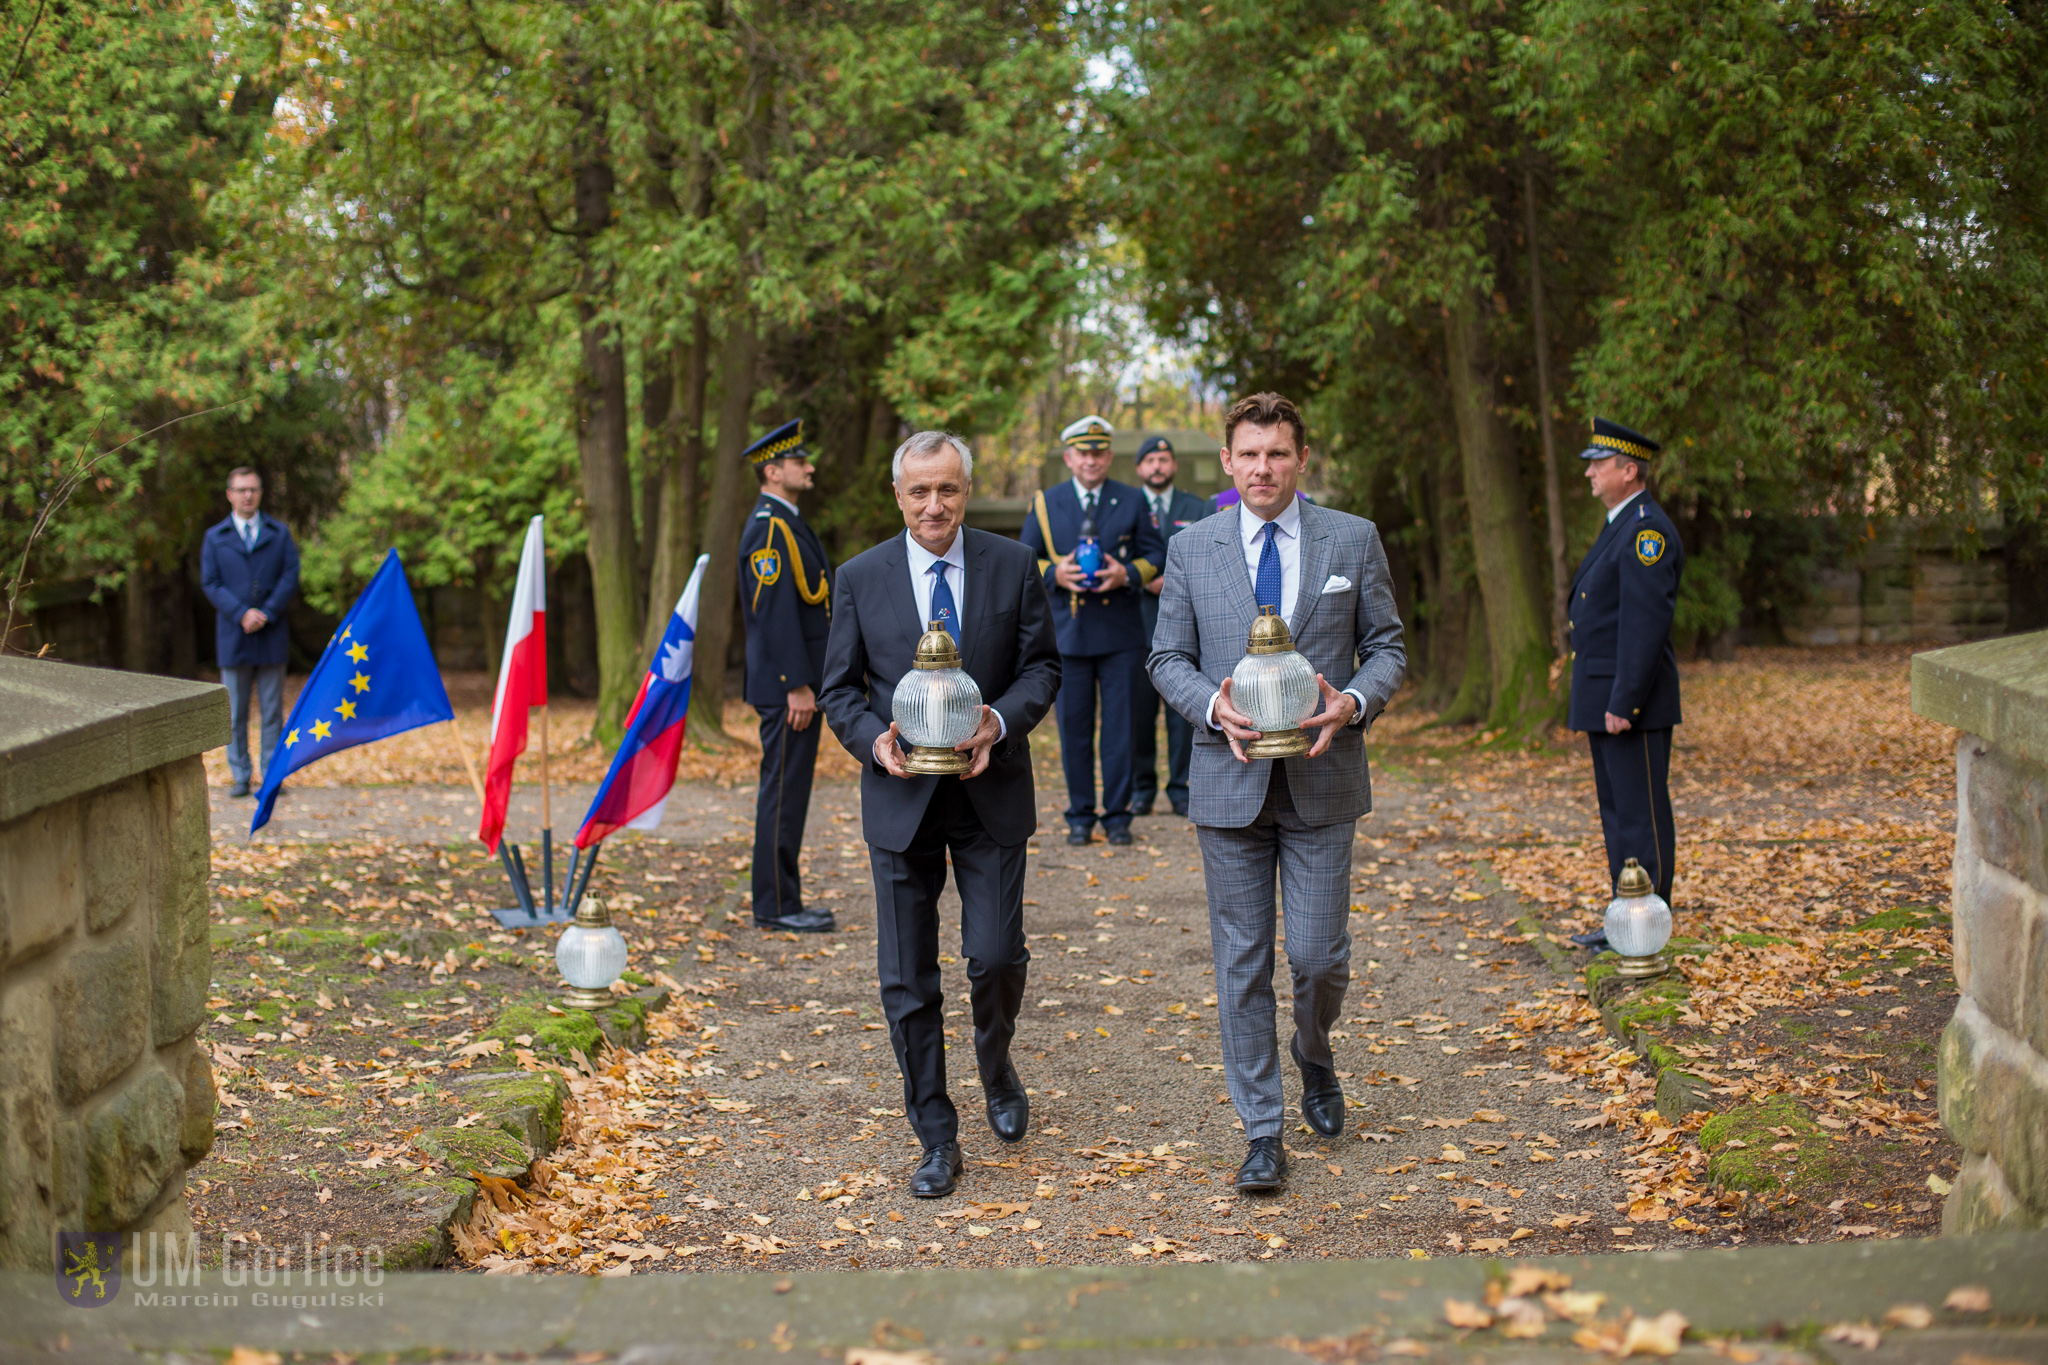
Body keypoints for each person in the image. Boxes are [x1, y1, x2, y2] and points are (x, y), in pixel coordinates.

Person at [1147, 392, 1405, 1194]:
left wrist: (1353, 703)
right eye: (1249, 454)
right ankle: (1262, 1129)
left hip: (1324, 778)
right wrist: (1212, 706)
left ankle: (1315, 1052)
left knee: (1320, 957)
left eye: (1278, 454)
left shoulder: (1351, 539)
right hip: (1228, 784)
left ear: (1300, 459)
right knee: (1242, 963)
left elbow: (1387, 646)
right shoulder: (1193, 548)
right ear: (1226, 462)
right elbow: (1166, 659)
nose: (1263, 468)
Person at [819, 430, 1061, 1198]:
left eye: (948, 489)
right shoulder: (860, 577)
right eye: (920, 491)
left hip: (991, 793)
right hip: (900, 801)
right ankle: (936, 1133)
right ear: (899, 496)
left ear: (965, 489)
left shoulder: (1014, 565)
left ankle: (996, 1060)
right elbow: (839, 691)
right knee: (906, 979)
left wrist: (996, 720)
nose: (935, 505)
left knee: (994, 955)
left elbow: (1043, 667)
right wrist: (872, 743)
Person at [1564, 419, 1684, 951]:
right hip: (1605, 696)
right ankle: (1627, 918)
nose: (1590, 471)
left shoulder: (1645, 531)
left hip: (1626, 701)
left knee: (1640, 814)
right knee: (1618, 814)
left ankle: (1648, 923)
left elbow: (1644, 624)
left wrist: (1625, 703)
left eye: (1600, 463)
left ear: (1628, 470)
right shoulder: (1622, 523)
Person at [1018, 415, 1166, 846]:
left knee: (1120, 729)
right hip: (1070, 633)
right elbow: (1026, 559)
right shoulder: (1047, 502)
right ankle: (1080, 815)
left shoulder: (1133, 499)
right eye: (1083, 453)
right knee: (1075, 730)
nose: (1091, 460)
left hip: (1121, 632)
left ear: (1109, 456)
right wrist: (1055, 574)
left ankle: (1118, 816)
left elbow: (1157, 553)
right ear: (1069, 457)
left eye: (1099, 452)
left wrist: (1127, 573)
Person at [738, 419, 837, 935]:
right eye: (800, 462)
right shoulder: (769, 529)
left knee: (790, 791)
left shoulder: (788, 520)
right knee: (781, 792)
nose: (810, 466)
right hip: (789, 689)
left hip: (800, 685)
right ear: (774, 471)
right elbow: (771, 614)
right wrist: (795, 684)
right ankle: (775, 904)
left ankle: (782, 898)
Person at [200, 467, 300, 799]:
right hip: (233, 634)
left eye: (253, 489)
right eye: (241, 490)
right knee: (235, 712)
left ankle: (272, 776)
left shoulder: (279, 532)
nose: (248, 495)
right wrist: (241, 613)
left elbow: (290, 576)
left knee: (272, 711)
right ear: (229, 494)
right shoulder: (215, 537)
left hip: (272, 634)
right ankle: (241, 775)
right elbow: (211, 583)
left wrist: (266, 613)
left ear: (260, 493)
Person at [1131, 435, 1209, 817]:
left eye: (1163, 459)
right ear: (1139, 468)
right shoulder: (1127, 507)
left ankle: (1181, 787)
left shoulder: (1197, 507)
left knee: (1182, 713)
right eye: (1150, 461)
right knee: (1138, 713)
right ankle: (1142, 788)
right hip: (1136, 624)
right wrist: (1144, 579)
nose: (1157, 466)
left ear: (1173, 465)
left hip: (1186, 626)